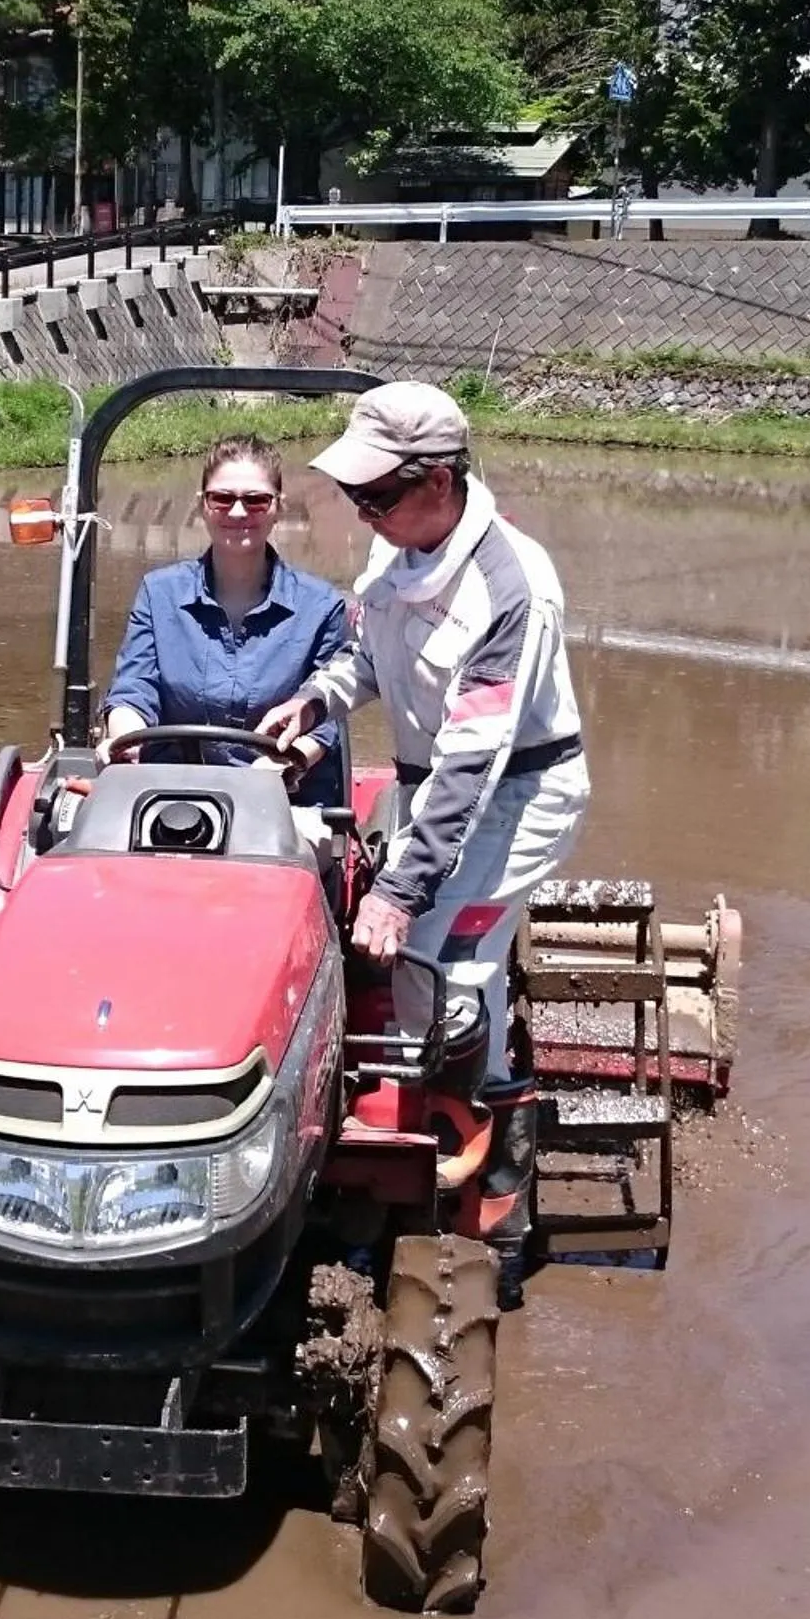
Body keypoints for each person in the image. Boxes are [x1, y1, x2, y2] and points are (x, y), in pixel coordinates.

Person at [259, 382, 588, 1280]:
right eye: (356, 497)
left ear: (438, 480)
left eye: (378, 495)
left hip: (514, 796)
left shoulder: (510, 588)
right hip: (427, 782)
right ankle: (387, 1154)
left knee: (443, 977)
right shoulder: (398, 553)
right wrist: (313, 704)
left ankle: (490, 1210)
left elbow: (475, 765)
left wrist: (403, 892)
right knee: (383, 965)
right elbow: (365, 657)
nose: (362, 511)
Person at [102, 438, 350, 807]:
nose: (237, 512)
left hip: (282, 797)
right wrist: (127, 740)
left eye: (255, 500)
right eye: (222, 498)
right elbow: (134, 689)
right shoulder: (159, 593)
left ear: (278, 508)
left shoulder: (322, 606)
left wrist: (283, 765)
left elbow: (325, 717)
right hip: (169, 791)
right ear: (203, 505)